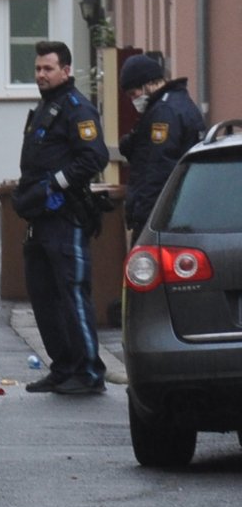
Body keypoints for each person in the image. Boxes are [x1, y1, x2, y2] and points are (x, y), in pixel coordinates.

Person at [12, 40, 112, 395]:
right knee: (43, 295)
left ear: (66, 71)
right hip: (40, 217)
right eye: (38, 69)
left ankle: (88, 371)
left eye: (48, 68)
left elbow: (94, 157)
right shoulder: (45, 107)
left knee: (71, 293)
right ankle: (63, 366)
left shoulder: (76, 108)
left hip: (65, 216)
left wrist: (55, 184)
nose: (41, 74)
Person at [117, 53, 206, 237]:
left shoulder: (163, 113)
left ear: (148, 84)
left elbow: (156, 170)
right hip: (180, 212)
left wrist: (144, 217)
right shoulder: (180, 103)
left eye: (134, 93)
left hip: (160, 216)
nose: (134, 100)